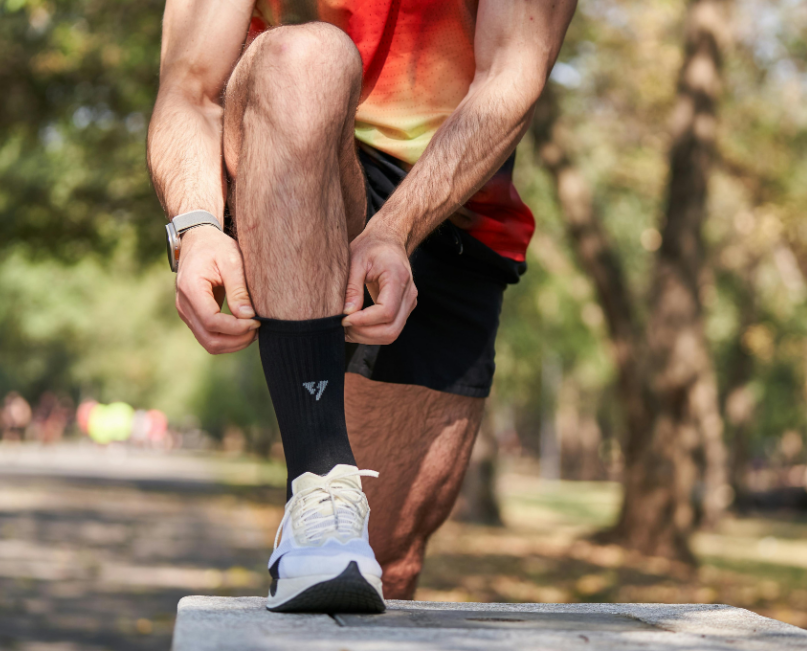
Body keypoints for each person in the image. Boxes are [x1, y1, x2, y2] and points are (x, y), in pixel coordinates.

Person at [148, 0, 575, 613]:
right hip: (294, 152)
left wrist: (395, 230)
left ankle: (329, 528)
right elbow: (189, 87)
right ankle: (319, 478)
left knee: (388, 560)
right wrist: (195, 226)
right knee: (303, 58)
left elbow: (513, 73)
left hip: (451, 194)